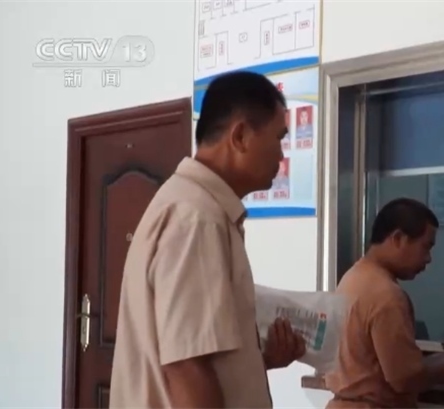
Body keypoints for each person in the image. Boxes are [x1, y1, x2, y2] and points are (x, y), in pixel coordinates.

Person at [109, 71, 307, 409]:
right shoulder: (196, 218)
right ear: (240, 136)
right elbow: (186, 368)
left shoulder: (195, 207)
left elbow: (196, 358)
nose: (281, 155)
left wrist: (257, 361)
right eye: (278, 138)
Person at [326, 198, 444, 408]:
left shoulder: (352, 278)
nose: (429, 258)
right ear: (397, 238)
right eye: (426, 247)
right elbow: (403, 378)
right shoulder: (387, 295)